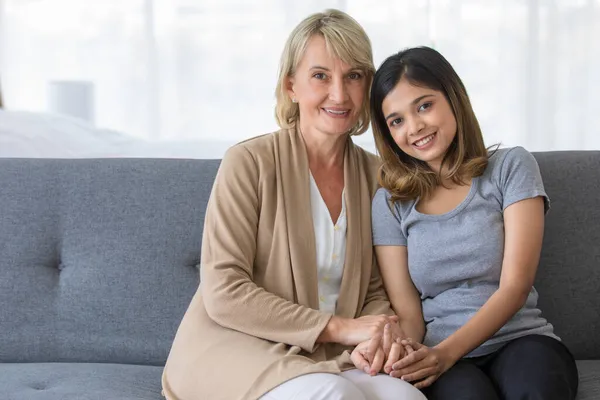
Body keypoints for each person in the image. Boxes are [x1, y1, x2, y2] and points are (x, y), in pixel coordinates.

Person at [161, 10, 426, 400]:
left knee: (407, 398)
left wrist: (379, 335)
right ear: (291, 86)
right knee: (335, 396)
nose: (339, 93)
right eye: (321, 76)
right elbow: (224, 290)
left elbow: (372, 284)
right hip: (240, 345)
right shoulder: (248, 163)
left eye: (353, 76)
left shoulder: (376, 175)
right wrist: (340, 328)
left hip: (331, 353)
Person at [366, 46, 579, 399]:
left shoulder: (511, 167)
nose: (415, 127)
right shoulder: (389, 203)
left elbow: (515, 287)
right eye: (397, 120)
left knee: (536, 390)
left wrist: (444, 355)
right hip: (440, 354)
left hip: (520, 340)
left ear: (453, 98)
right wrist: (396, 352)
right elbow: (409, 314)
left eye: (424, 105)